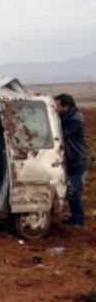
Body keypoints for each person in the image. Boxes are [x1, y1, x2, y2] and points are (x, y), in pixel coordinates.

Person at [55, 94, 92, 227]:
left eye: (57, 106)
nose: (55, 108)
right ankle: (75, 217)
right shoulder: (67, 117)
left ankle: (79, 220)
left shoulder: (75, 120)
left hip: (78, 160)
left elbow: (59, 134)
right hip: (73, 159)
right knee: (70, 190)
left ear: (66, 106)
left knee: (74, 191)